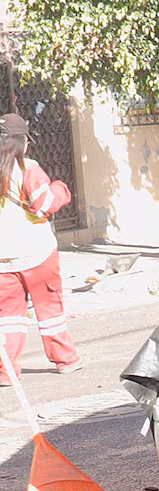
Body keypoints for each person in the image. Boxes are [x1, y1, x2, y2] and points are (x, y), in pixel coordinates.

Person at [0, 113, 80, 382]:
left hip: (3, 258)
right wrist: (60, 188)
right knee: (49, 309)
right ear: (22, 142)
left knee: (9, 316)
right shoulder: (27, 168)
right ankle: (65, 359)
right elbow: (45, 204)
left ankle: (5, 370)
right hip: (36, 251)